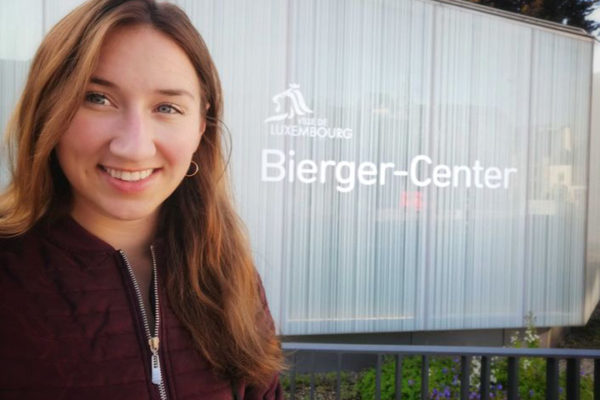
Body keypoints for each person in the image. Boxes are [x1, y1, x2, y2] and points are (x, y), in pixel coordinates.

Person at [0, 0, 283, 399]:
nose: (133, 147)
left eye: (167, 107)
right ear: (48, 107)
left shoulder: (230, 272)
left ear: (201, 124)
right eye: (97, 98)